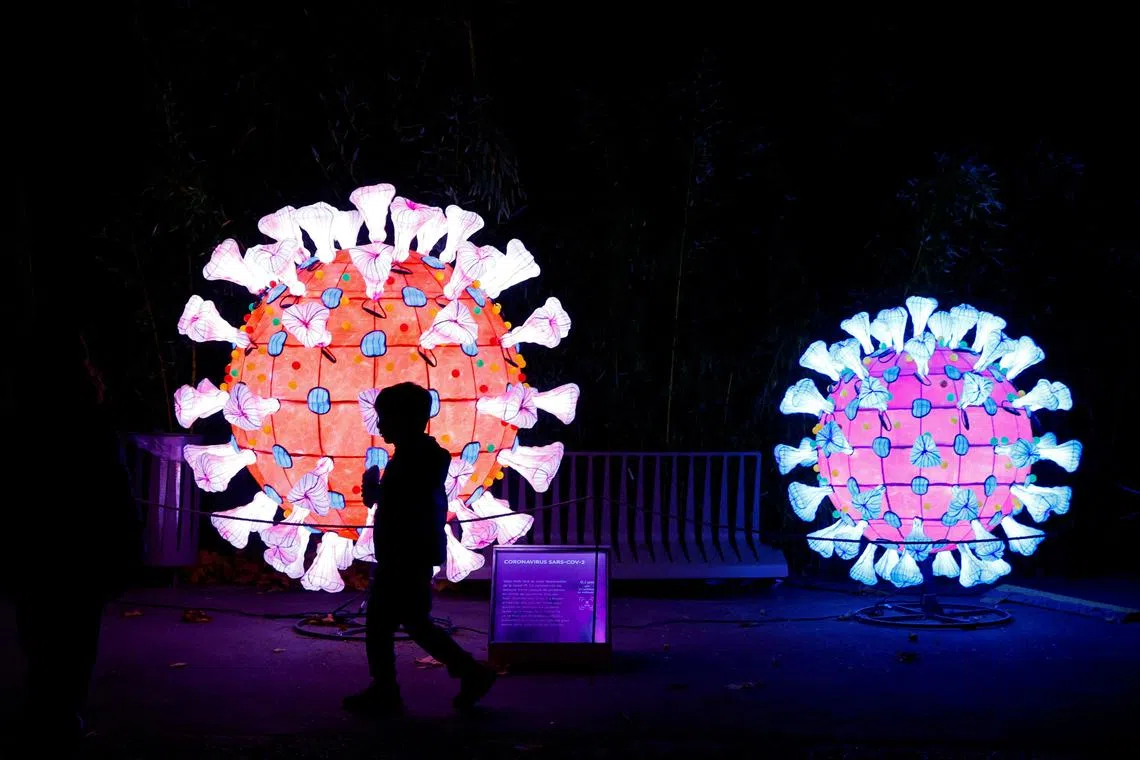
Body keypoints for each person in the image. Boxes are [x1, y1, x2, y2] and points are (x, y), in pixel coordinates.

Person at [343, 382, 496, 715]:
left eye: (384, 418)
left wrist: (375, 490)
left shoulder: (419, 458)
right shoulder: (421, 456)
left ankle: (390, 689)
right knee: (411, 621)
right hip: (409, 552)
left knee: (385, 621)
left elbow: (404, 503)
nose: (380, 426)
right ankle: (467, 673)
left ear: (407, 419)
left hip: (404, 553)